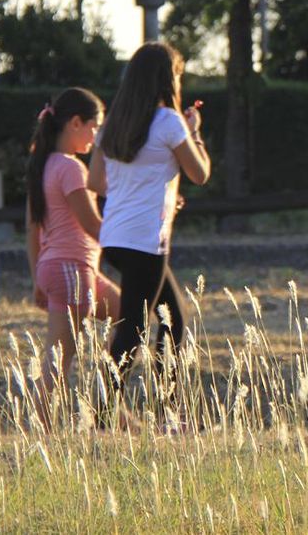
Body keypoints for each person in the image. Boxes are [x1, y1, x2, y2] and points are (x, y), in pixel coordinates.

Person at [88, 42, 211, 393]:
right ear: (166, 79)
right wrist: (195, 132)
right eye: (177, 75)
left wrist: (152, 189)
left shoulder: (113, 124)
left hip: (114, 237)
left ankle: (158, 406)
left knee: (173, 317)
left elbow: (95, 182)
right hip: (146, 240)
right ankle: (105, 411)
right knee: (137, 328)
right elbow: (200, 173)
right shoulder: (170, 122)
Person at [26, 87, 121, 417]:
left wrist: (37, 278)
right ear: (76, 123)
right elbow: (93, 226)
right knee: (59, 358)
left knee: (129, 313)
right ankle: (38, 428)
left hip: (64, 269)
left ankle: (112, 406)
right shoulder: (70, 169)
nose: (96, 136)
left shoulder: (43, 166)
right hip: (72, 269)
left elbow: (32, 229)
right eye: (95, 127)